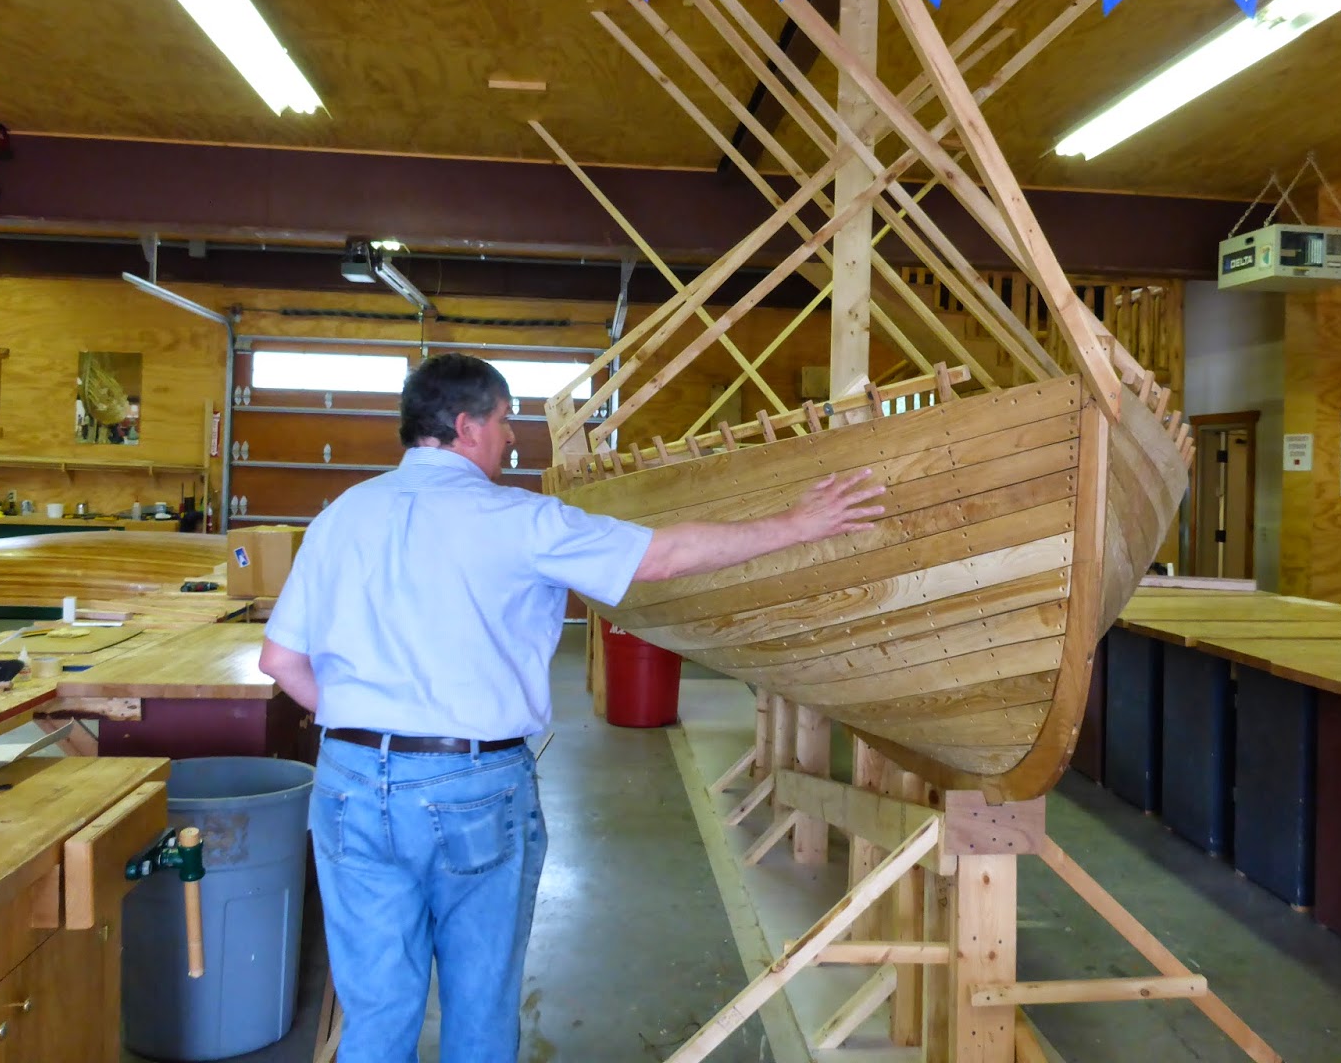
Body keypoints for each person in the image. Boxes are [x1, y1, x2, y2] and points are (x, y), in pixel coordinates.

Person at [258, 354, 883, 1062]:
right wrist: (799, 524)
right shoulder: (519, 520)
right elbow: (663, 557)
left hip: (348, 783)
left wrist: (369, 734)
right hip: (468, 787)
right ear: (466, 427)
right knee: (480, 999)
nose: (513, 439)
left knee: (376, 1009)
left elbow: (280, 662)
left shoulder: (341, 516)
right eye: (504, 422)